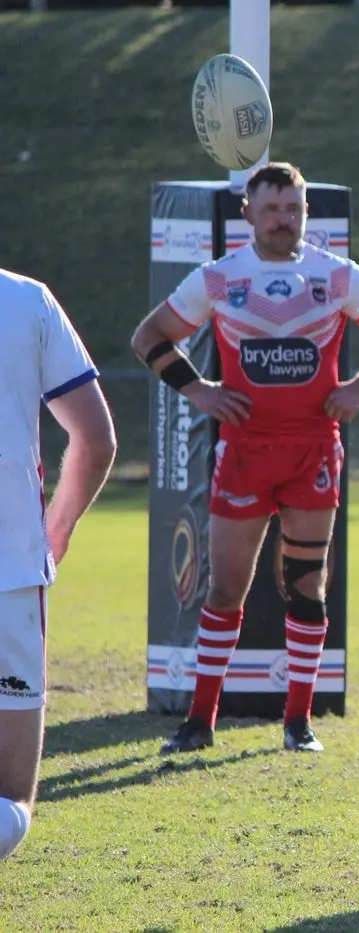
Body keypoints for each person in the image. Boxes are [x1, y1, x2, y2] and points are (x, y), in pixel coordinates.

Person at [131, 162, 359, 755]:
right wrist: (201, 391)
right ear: (248, 214)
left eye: (293, 208)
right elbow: (149, 337)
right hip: (243, 455)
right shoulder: (219, 279)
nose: (283, 219)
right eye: (271, 209)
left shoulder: (336, 278)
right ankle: (199, 722)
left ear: (306, 213)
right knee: (224, 592)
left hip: (314, 452)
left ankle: (298, 723)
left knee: (306, 588)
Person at [0, 269, 116, 862]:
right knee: (10, 803)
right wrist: (56, 531)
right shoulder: (25, 300)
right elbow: (95, 438)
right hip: (11, 570)